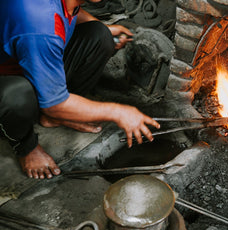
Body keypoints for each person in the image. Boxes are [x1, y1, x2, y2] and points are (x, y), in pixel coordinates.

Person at [0, 0, 160, 179]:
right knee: (18, 95)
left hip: (27, 59)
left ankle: (56, 116)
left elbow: (70, 12)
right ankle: (25, 147)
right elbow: (53, 104)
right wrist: (118, 112)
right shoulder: (39, 23)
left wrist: (104, 26)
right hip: (6, 80)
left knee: (100, 33)